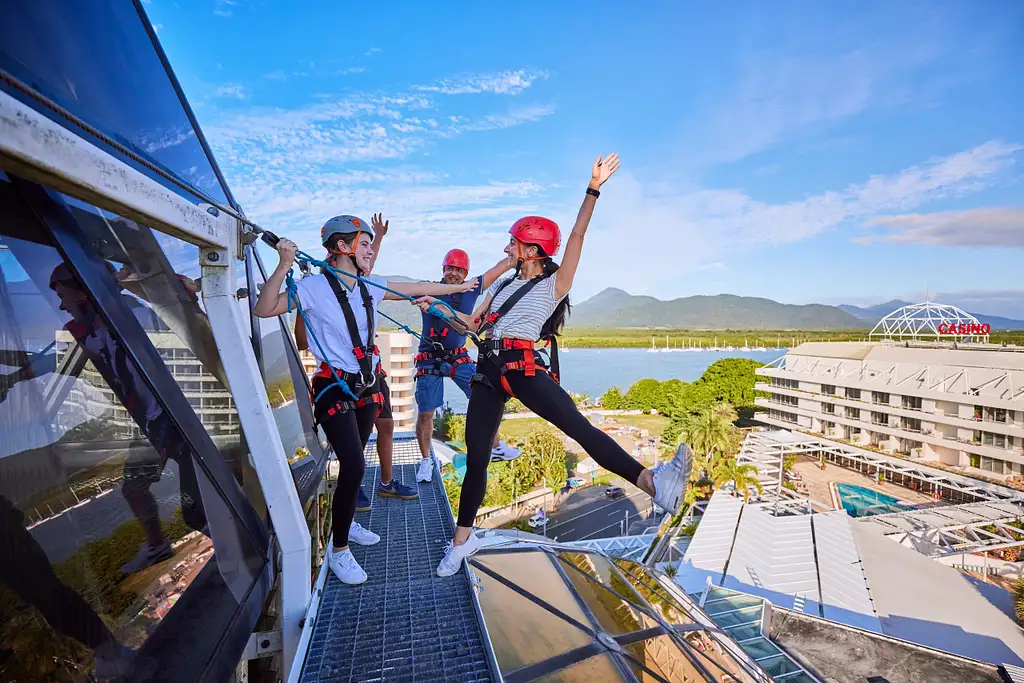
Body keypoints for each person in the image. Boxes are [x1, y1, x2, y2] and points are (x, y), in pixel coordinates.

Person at [416, 155, 693, 577]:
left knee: (578, 427)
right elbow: (471, 325)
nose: (507, 248)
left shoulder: (554, 284)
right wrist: (437, 306)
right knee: (476, 457)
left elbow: (578, 233)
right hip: (489, 371)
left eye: (512, 243)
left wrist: (593, 188)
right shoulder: (504, 284)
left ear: (531, 249)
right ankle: (461, 540)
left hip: (522, 367)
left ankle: (655, 485)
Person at [254, 215, 477, 585]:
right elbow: (264, 308)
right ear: (343, 248)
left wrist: (463, 287)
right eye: (365, 243)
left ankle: (347, 522)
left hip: (366, 386)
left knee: (355, 457)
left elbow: (414, 285)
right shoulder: (311, 288)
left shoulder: (367, 285)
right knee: (356, 465)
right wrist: (283, 265)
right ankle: (338, 550)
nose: (371, 250)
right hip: (334, 387)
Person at [293, 213, 417, 512]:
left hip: (371, 373)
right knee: (355, 451)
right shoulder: (317, 291)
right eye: (363, 244)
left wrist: (377, 238)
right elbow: (302, 340)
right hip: (346, 376)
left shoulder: (359, 287)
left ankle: (382, 484)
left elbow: (362, 276)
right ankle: (355, 488)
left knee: (384, 425)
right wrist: (306, 312)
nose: (368, 251)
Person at [411, 247, 521, 484]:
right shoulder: (430, 289)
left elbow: (499, 268)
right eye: (450, 268)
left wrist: (518, 254)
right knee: (426, 413)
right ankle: (425, 460)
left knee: (487, 395)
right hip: (429, 356)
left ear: (465, 273)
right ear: (443, 270)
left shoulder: (471, 288)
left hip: (457, 356)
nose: (454, 274)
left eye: (459, 270)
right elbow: (399, 292)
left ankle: (496, 446)